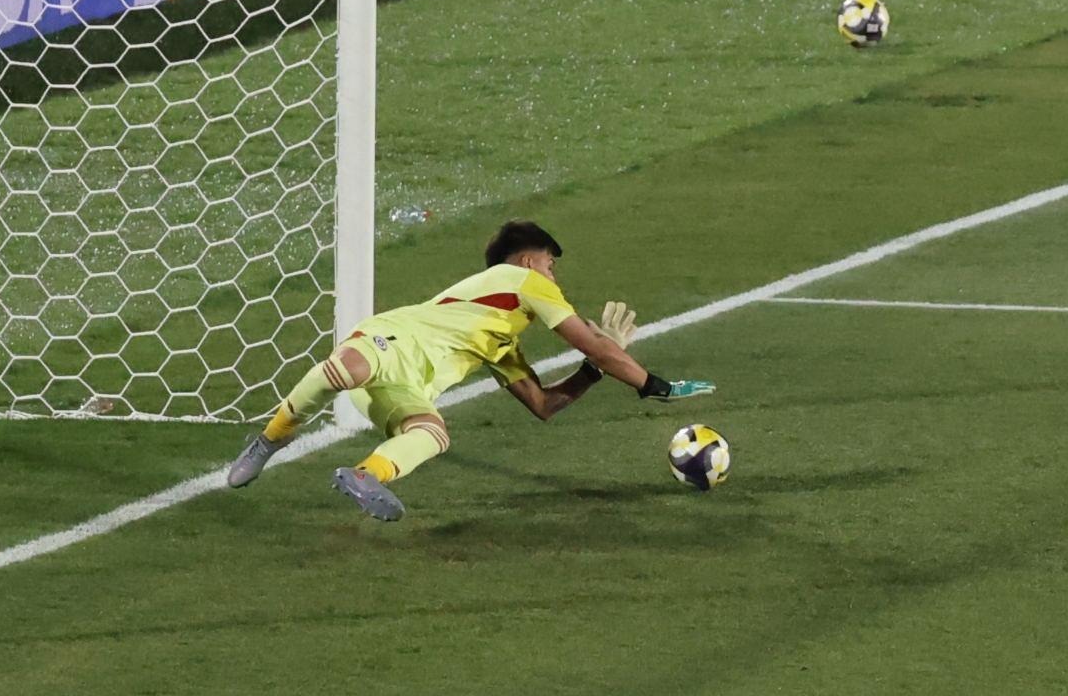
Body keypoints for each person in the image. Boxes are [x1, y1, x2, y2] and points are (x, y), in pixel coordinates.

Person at [226, 220, 715, 521]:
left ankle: (363, 475)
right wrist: (654, 385)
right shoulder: (520, 280)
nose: (553, 278)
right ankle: (272, 436)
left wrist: (594, 367)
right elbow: (591, 342)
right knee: (347, 367)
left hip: (405, 389)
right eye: (551, 265)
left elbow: (543, 405)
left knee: (432, 433)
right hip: (392, 340)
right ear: (528, 261)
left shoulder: (499, 339)